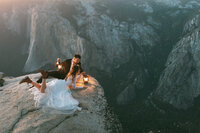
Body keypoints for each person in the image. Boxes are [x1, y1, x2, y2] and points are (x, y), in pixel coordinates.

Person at [19, 65, 84, 114]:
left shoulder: (69, 74)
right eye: (78, 71)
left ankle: (29, 80)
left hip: (59, 82)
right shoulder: (74, 77)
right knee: (43, 90)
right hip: (61, 86)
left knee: (42, 88)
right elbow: (74, 86)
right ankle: (44, 77)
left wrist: (79, 77)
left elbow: (72, 82)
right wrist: (82, 87)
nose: (79, 72)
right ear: (77, 71)